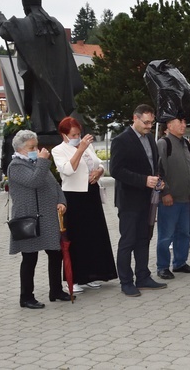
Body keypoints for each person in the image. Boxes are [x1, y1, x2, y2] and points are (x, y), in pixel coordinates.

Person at [0, 0, 84, 134]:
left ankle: (44, 131)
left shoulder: (25, 24)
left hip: (39, 85)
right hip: (59, 87)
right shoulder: (57, 25)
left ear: (24, 2)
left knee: (39, 118)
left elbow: (6, 31)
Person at [51, 117, 117, 292]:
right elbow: (67, 170)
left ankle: (91, 274)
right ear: (64, 135)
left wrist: (99, 172)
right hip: (73, 196)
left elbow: (99, 163)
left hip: (91, 193)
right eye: (73, 134)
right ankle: (73, 279)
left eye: (79, 133)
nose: (77, 137)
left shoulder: (87, 146)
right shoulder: (59, 150)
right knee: (76, 237)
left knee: (93, 235)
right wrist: (79, 149)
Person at [8, 130, 70, 309]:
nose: (37, 149)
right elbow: (34, 181)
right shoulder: (16, 166)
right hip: (29, 219)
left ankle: (56, 290)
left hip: (48, 217)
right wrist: (43, 161)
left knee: (55, 253)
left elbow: (54, 184)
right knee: (30, 258)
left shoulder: (36, 162)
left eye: (36, 145)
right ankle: (26, 297)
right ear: (20, 149)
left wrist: (61, 201)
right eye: (32, 147)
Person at [110, 104, 167, 297]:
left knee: (144, 239)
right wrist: (144, 180)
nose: (149, 126)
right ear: (134, 118)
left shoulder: (150, 138)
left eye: (152, 122)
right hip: (129, 200)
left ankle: (143, 276)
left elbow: (154, 164)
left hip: (148, 199)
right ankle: (126, 281)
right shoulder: (121, 140)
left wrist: (158, 179)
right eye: (146, 122)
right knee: (128, 241)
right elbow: (116, 170)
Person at [155, 112, 190, 280]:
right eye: (180, 121)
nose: (183, 125)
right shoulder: (163, 143)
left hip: (185, 198)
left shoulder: (186, 143)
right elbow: (158, 170)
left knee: (184, 233)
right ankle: (162, 266)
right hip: (169, 199)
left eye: (184, 121)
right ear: (169, 125)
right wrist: (164, 192)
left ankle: (180, 262)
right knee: (166, 235)